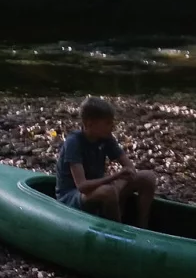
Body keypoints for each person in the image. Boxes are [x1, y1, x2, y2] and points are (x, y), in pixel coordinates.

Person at [54, 96, 156, 227]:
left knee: (148, 177)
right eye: (107, 123)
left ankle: (143, 227)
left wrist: (118, 185)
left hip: (97, 189)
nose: (112, 126)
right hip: (71, 197)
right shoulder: (74, 143)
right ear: (89, 123)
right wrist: (115, 178)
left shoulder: (106, 138)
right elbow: (82, 186)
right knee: (108, 192)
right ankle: (118, 231)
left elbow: (130, 168)